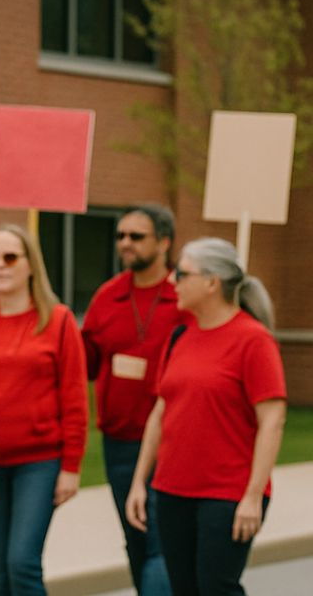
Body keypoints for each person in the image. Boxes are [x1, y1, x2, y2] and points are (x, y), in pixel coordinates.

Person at [127, 238, 287, 596]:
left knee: (216, 588)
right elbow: (160, 413)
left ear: (212, 282)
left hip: (227, 493)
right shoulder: (180, 336)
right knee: (183, 588)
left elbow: (272, 421)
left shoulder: (253, 341)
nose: (172, 282)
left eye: (182, 274)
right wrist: (140, 482)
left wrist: (252, 495)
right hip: (171, 489)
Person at [81, 204, 185, 595]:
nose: (125, 243)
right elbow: (86, 362)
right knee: (136, 536)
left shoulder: (183, 295)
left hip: (173, 441)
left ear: (164, 242)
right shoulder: (108, 296)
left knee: (162, 539)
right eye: (120, 235)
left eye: (136, 236)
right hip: (120, 442)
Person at [0, 223, 87, 596]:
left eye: (10, 257)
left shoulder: (57, 320)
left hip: (39, 463)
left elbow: (75, 398)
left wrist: (71, 468)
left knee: (22, 562)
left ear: (30, 264)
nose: (0, 265)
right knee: (1, 574)